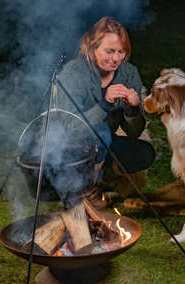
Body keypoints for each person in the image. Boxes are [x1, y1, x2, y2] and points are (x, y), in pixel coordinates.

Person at [56, 16, 155, 202]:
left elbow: (134, 132)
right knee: (101, 131)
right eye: (109, 51)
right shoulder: (73, 73)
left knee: (143, 152)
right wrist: (105, 103)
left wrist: (132, 110)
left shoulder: (128, 73)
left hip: (104, 143)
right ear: (93, 49)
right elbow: (71, 127)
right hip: (71, 146)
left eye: (121, 52)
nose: (116, 59)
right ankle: (82, 188)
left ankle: (102, 181)